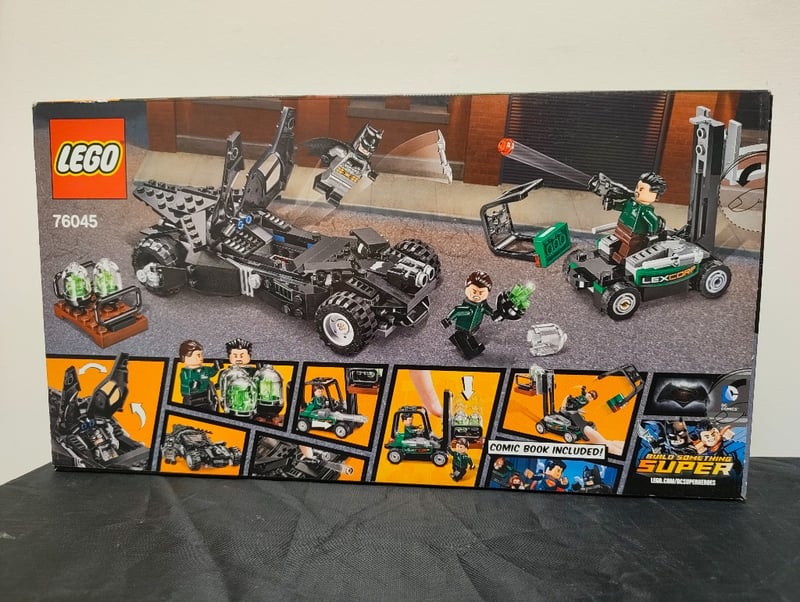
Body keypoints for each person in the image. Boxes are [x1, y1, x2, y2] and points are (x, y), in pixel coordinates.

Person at [607, 172, 667, 261]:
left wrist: (651, 232)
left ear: (655, 195)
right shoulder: (631, 202)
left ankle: (623, 260)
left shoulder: (646, 210)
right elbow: (622, 206)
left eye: (641, 189)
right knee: (618, 241)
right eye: (637, 187)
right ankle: (614, 253)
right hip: (622, 227)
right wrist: (613, 205)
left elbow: (653, 222)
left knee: (629, 247)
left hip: (635, 234)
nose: (637, 191)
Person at [179, 340, 218, 411]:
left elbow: (211, 373)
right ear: (185, 357)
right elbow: (186, 383)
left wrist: (216, 368)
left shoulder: (205, 369)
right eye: (198, 355)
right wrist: (194, 384)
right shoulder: (186, 372)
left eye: (201, 355)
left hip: (206, 397)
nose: (201, 357)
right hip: (192, 398)